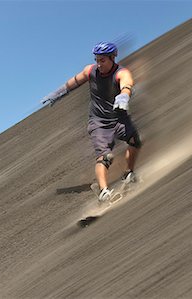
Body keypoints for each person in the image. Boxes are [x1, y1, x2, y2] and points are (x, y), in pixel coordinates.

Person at [41, 42, 142, 202]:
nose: (99, 64)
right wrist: (56, 94)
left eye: (102, 60)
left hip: (118, 117)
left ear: (112, 58)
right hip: (99, 122)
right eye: (97, 60)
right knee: (105, 157)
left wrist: (124, 95)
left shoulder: (120, 73)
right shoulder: (90, 71)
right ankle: (104, 192)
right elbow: (73, 82)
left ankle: (128, 173)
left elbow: (126, 83)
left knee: (135, 141)